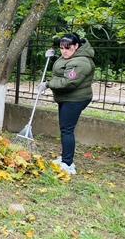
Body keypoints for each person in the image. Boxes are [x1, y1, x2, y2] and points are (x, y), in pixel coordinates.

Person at [38, 33, 95, 175]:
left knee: (67, 130)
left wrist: (48, 84)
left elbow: (69, 82)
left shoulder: (81, 62)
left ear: (76, 46)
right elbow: (64, 68)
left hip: (75, 99)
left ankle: (68, 164)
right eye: (61, 48)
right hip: (67, 98)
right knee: (65, 129)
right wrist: (53, 59)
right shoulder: (71, 57)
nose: (64, 51)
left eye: (67, 48)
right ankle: (65, 158)